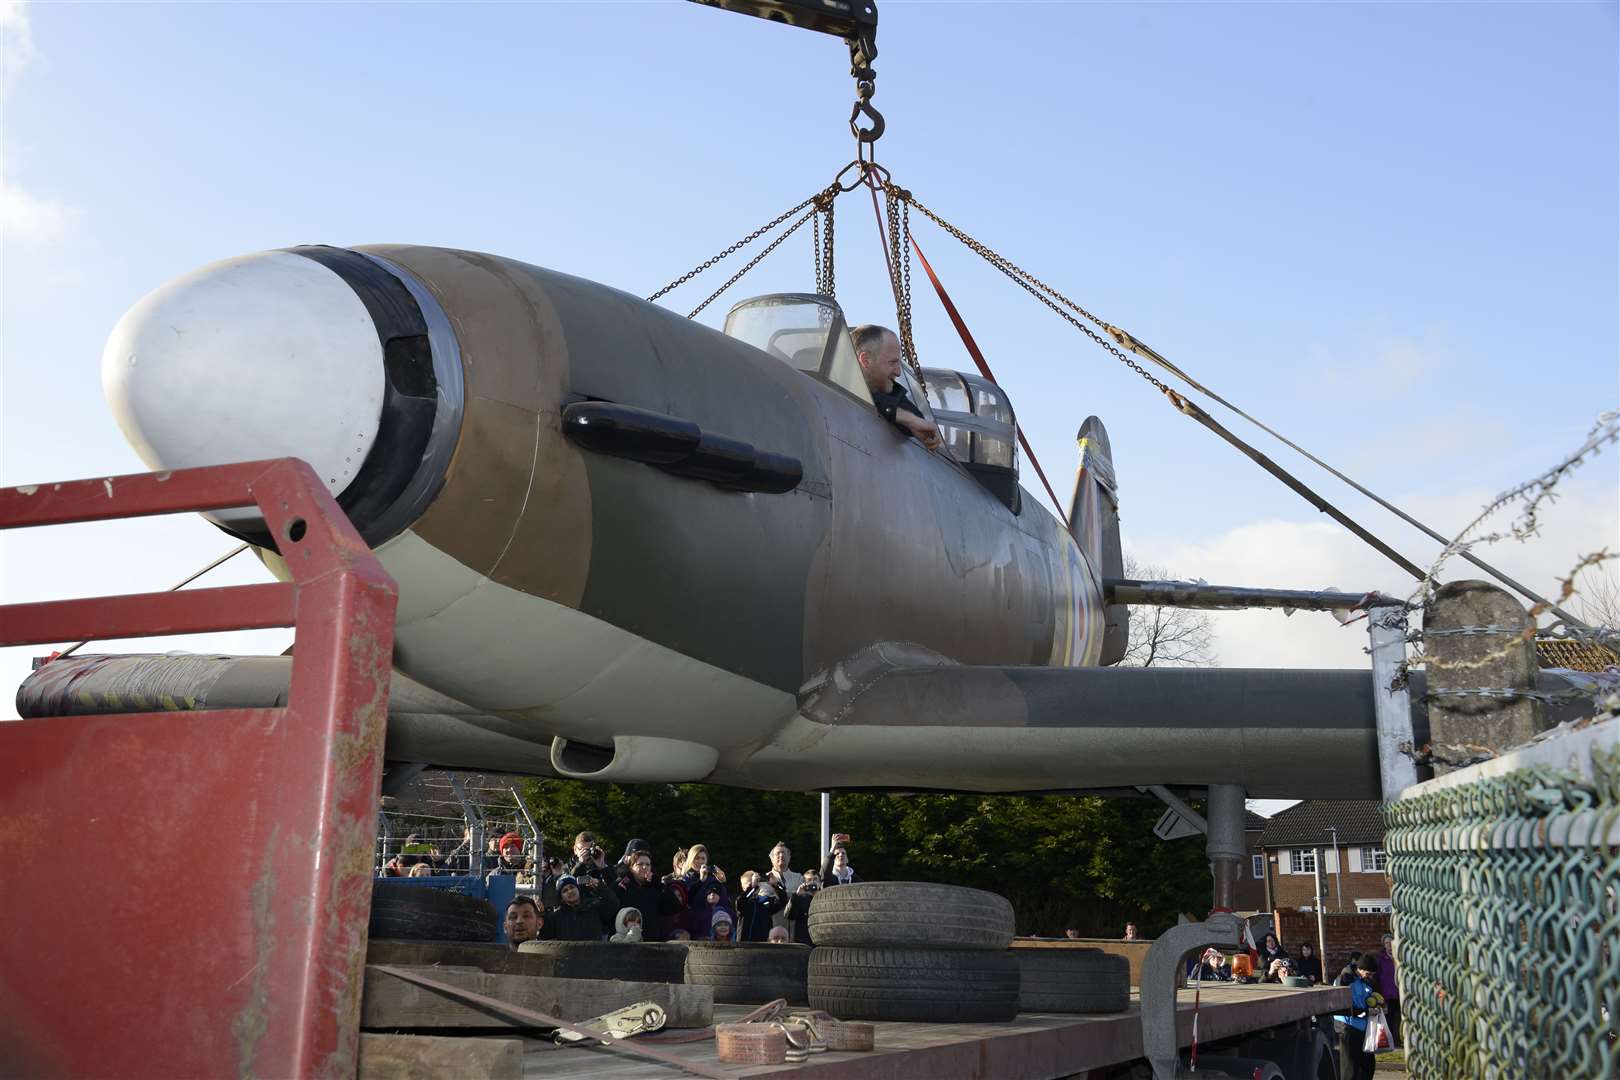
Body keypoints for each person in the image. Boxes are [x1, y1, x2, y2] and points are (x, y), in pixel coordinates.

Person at [850, 324, 943, 450]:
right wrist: (907, 418)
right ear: (866, 360)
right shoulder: (836, 384)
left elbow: (910, 412)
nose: (898, 372)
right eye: (892, 362)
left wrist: (913, 423)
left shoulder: (888, 389)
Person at [613, 850, 687, 942]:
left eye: (648, 865)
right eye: (640, 864)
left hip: (652, 944)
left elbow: (675, 907)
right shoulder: (623, 887)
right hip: (627, 943)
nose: (645, 867)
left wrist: (657, 883)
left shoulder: (655, 887)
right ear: (631, 868)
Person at [1335, 953, 1383, 1080]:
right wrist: (1367, 1013)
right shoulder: (1345, 980)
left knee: (1368, 1066)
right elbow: (1343, 1010)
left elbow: (1365, 1001)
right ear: (1359, 969)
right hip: (1348, 1028)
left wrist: (1377, 1006)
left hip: (1363, 1028)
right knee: (1350, 1069)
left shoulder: (1365, 981)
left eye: (1373, 974)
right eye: (1368, 974)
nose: (1371, 977)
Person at [547, 875, 612, 941]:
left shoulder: (593, 906)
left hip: (595, 950)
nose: (570, 891)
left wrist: (599, 886)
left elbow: (613, 904)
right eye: (565, 891)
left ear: (578, 889)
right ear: (561, 898)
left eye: (572, 887)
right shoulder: (556, 917)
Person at [734, 871, 787, 943]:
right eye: (749, 884)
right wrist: (751, 887)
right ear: (743, 887)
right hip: (745, 945)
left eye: (756, 883)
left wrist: (776, 885)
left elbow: (782, 901)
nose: (754, 885)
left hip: (764, 944)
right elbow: (741, 902)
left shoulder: (765, 901)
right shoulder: (742, 901)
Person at [764, 842, 802, 934]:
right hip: (772, 927)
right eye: (778, 853)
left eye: (784, 853)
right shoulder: (764, 879)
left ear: (789, 857)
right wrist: (793, 895)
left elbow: (802, 898)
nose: (781, 855)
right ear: (771, 858)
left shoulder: (799, 877)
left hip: (794, 928)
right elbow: (766, 902)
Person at [1376, 933, 1402, 1046]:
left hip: (1400, 992)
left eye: (1391, 942)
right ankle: (1391, 1040)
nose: (1389, 945)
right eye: (1387, 943)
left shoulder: (1399, 957)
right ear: (1384, 945)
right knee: (1389, 1018)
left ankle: (1399, 1039)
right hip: (1387, 993)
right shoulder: (1381, 959)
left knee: (1400, 1017)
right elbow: (1378, 976)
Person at [785, 868, 821, 944]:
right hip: (803, 941)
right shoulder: (799, 899)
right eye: (809, 880)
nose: (812, 882)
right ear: (804, 883)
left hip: (820, 939)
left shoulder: (825, 898)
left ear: (820, 883)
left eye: (815, 879)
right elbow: (789, 915)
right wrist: (797, 895)